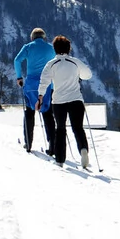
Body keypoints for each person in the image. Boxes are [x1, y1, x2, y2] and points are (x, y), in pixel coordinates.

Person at [36, 35, 93, 168]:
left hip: (59, 101)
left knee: (60, 129)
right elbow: (88, 75)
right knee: (78, 127)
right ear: (69, 49)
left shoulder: (51, 64)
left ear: (54, 49)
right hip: (76, 100)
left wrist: (40, 97)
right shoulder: (75, 62)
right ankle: (83, 150)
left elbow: (44, 82)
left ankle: (60, 159)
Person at [13, 27, 56, 154]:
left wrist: (19, 77)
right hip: (48, 84)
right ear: (44, 37)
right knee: (48, 114)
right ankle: (52, 145)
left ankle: (28, 143)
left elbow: (17, 60)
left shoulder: (28, 47)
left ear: (32, 37)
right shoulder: (51, 48)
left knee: (29, 112)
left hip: (31, 85)